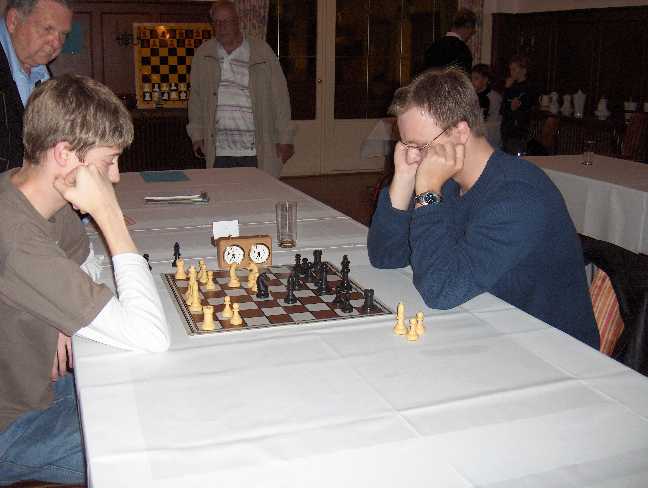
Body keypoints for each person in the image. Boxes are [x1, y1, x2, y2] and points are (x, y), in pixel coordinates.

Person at [0, 74, 171, 485]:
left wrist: (60, 313)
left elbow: (89, 266)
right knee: (164, 445)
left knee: (170, 389)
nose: (115, 177)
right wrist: (109, 216)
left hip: (42, 384)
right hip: (13, 425)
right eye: (108, 161)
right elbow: (149, 334)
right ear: (64, 154)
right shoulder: (15, 235)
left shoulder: (37, 194)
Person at [367, 67, 599, 350]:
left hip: (553, 352)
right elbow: (386, 255)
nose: (414, 155)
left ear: (460, 132)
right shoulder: (449, 182)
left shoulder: (518, 197)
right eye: (406, 145)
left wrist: (427, 193)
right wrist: (403, 178)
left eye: (420, 145)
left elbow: (440, 290)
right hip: (493, 327)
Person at [187, 0, 296, 178]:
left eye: (226, 21)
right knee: (222, 194)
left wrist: (285, 138)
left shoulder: (262, 51)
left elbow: (280, 98)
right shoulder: (203, 54)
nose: (221, 27)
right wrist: (197, 134)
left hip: (256, 151)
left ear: (238, 22)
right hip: (219, 151)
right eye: (217, 22)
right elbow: (196, 99)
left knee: (259, 194)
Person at [0, 0, 72, 172]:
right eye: (48, 29)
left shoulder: (43, 75)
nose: (57, 43)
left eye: (63, 34)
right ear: (13, 21)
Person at [500, 54, 535, 155]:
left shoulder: (528, 88)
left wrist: (515, 108)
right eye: (510, 69)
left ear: (524, 70)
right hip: (507, 129)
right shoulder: (510, 87)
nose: (511, 72)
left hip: (519, 131)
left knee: (515, 155)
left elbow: (526, 108)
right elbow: (502, 109)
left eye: (514, 69)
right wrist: (507, 88)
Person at [423, 8, 476, 74]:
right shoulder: (463, 50)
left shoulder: (433, 46)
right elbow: (463, 78)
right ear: (468, 26)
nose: (470, 35)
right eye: (472, 31)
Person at [471, 63, 501, 147]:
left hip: (489, 140)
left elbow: (495, 124)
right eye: (471, 78)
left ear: (485, 80)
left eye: (476, 78)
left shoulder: (494, 98)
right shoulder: (471, 96)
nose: (472, 82)